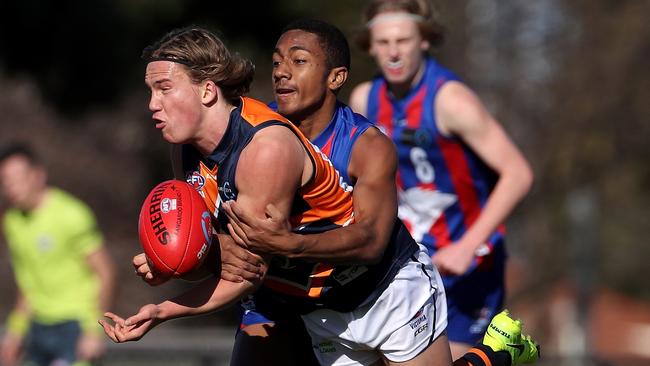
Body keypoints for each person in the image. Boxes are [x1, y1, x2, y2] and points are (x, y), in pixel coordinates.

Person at [120, 24, 537, 366]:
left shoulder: (339, 145)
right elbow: (230, 256)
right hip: (302, 298)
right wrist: (175, 261)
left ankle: (496, 356)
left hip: (382, 290)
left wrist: (166, 307)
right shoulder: (193, 148)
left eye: (298, 62)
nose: (282, 73)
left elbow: (369, 243)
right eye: (277, 63)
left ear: (335, 77)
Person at [347, 0, 535, 359]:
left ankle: (505, 355)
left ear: (424, 41)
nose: (393, 52)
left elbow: (518, 173)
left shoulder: (451, 100)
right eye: (383, 43)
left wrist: (468, 245)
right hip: (405, 261)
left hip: (465, 262)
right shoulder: (365, 100)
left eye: (403, 40)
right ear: (370, 46)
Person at [0, 143, 116, 366]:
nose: (11, 186)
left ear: (38, 175)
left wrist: (95, 329)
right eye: (5, 181)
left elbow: (105, 272)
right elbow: (27, 283)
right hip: (38, 326)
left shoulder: (72, 214)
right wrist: (15, 331)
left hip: (74, 325)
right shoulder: (12, 222)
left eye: (17, 177)